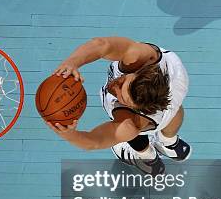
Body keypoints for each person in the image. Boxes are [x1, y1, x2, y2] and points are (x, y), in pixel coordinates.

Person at [47, 37, 191, 175]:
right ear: (140, 71)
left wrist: (70, 135)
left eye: (122, 96)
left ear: (137, 108)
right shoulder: (140, 57)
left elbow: (95, 142)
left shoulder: (130, 123)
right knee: (175, 111)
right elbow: (103, 44)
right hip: (175, 81)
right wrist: (72, 62)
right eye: (123, 81)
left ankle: (148, 158)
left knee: (133, 132)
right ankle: (169, 143)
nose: (114, 86)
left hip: (165, 103)